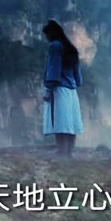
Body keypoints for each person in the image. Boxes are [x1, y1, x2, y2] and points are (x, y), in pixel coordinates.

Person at [41, 19, 84, 158]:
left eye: (47, 34)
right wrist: (76, 83)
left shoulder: (55, 46)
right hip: (72, 90)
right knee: (70, 123)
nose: (46, 37)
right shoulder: (70, 48)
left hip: (59, 89)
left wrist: (48, 89)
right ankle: (68, 152)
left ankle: (61, 151)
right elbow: (77, 74)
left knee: (60, 122)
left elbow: (54, 69)